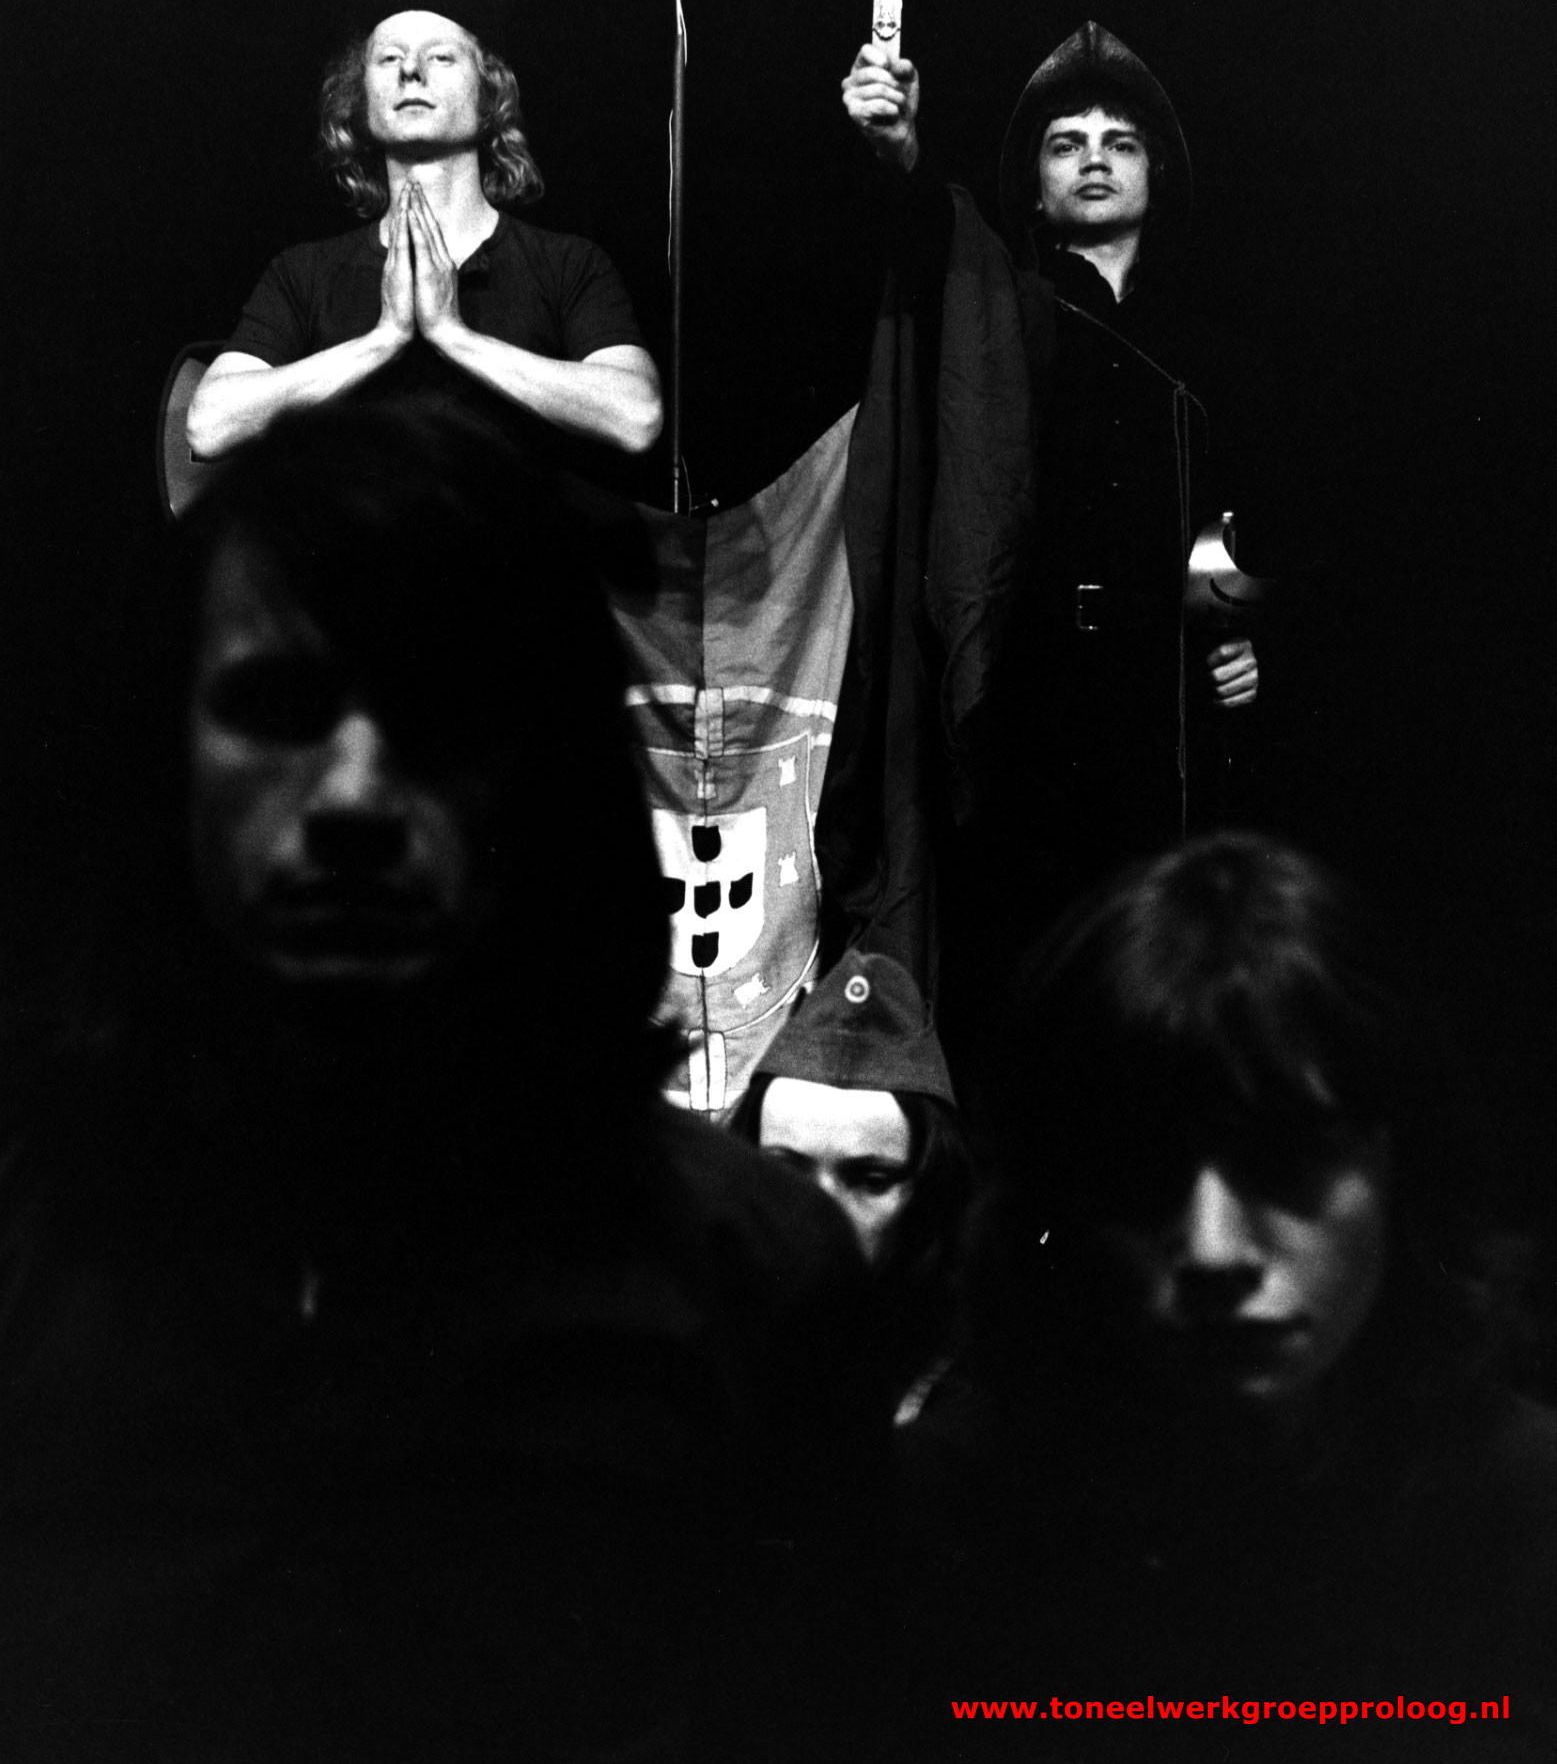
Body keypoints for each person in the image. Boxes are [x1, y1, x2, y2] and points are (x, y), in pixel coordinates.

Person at [0, 398, 887, 1762]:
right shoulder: (31, 1241)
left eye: (437, 717)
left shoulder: (749, 1277)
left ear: (542, 775)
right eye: (276, 708)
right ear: (167, 754)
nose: (353, 796)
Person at [896, 835, 1556, 1757]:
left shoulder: (1526, 1515)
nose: (1212, 1249)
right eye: (1141, 1172)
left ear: (1403, 1169)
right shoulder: (934, 1520)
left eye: (1284, 1160)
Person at [822, 25, 1293, 1043]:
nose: (1092, 158)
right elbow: (921, 223)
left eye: (1119, 142)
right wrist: (897, 149)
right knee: (1035, 970)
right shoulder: (996, 304)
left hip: (1164, 701)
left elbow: (1248, 522)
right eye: (1065, 143)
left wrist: (1246, 639)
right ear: (1035, 186)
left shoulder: (1210, 347)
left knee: (1166, 970)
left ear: (1154, 175)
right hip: (1031, 689)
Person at [186, 0, 660, 470]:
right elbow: (208, 425)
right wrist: (384, 339)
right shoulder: (304, 274)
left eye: (441, 56)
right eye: (388, 57)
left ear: (489, 93)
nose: (411, 70)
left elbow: (637, 416)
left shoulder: (566, 266)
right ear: (359, 97)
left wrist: (452, 335)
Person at [728, 949, 973, 1424]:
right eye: (785, 1172)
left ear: (929, 1195)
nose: (821, 1212)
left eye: (869, 1180)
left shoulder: (968, 1401)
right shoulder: (695, 1359)